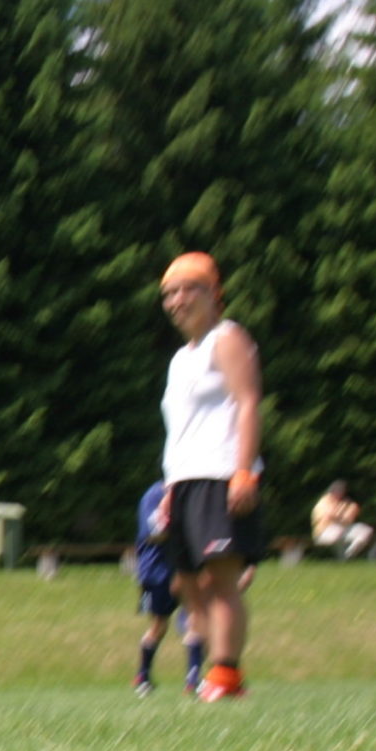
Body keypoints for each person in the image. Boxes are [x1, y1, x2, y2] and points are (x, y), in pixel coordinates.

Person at [155, 252, 262, 702]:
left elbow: (248, 401)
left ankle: (226, 675)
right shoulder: (181, 359)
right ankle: (214, 670)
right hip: (185, 480)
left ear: (214, 294)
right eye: (169, 293)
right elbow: (180, 428)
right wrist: (169, 488)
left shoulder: (228, 338)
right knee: (187, 584)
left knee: (221, 580)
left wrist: (244, 471)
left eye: (189, 289)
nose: (178, 300)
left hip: (220, 473)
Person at [131, 480, 203, 696]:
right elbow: (154, 533)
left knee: (195, 620)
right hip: (156, 571)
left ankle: (193, 679)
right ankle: (143, 676)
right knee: (158, 626)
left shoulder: (189, 492)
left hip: (183, 567)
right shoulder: (154, 495)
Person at [311, 480, 376, 560]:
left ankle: (350, 553)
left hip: (343, 529)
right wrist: (341, 515)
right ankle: (344, 557)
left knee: (367, 530)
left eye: (341, 490)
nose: (339, 493)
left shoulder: (346, 503)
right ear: (332, 491)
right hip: (324, 532)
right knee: (337, 531)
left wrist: (341, 516)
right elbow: (329, 516)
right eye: (337, 490)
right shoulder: (324, 501)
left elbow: (350, 517)